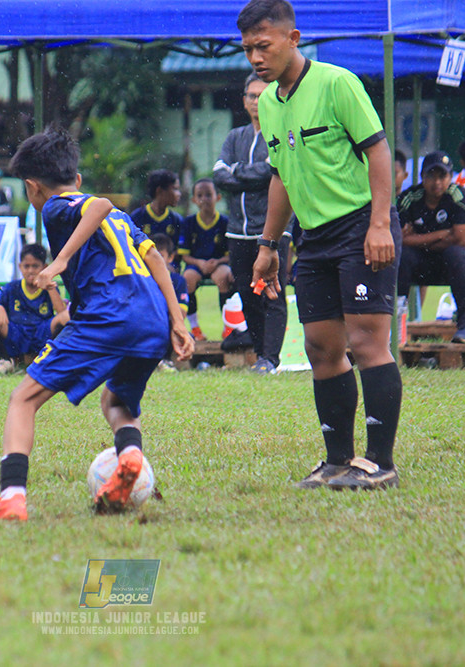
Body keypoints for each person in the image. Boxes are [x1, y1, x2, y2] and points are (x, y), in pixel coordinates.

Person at [0, 128, 194, 521]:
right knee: (117, 400)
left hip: (109, 317)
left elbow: (99, 205)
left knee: (23, 399)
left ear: (33, 188)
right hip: (151, 319)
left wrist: (61, 260)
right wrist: (178, 321)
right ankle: (131, 457)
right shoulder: (123, 219)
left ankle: (12, 496)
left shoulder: (55, 207)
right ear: (77, 178)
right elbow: (155, 258)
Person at [240, 0, 402, 490]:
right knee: (320, 347)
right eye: (247, 49)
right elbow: (281, 177)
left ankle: (380, 462)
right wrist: (269, 244)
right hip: (313, 238)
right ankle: (337, 460)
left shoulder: (337, 83)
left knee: (367, 343)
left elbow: (378, 151)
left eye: (263, 46)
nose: (254, 58)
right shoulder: (268, 103)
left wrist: (379, 225)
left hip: (360, 227)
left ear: (293, 38)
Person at [213, 72, 290, 374]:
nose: (256, 102)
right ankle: (260, 356)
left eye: (262, 95)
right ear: (244, 101)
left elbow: (275, 170)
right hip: (237, 231)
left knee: (272, 293)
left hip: (272, 231)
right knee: (248, 293)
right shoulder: (235, 137)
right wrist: (253, 174)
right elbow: (219, 174)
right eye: (251, 96)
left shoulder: (280, 133)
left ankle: (271, 359)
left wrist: (239, 173)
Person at [397, 151, 465, 343]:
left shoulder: (459, 196)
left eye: (442, 176)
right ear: (422, 177)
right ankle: (397, 326)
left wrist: (417, 238)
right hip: (424, 265)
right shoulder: (410, 198)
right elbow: (399, 240)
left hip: (459, 264)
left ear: (450, 177)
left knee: (455, 254)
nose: (437, 182)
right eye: (431, 176)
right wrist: (443, 234)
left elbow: (461, 240)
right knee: (403, 256)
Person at [0, 243, 70, 374]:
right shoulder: (13, 287)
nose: (30, 271)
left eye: (35, 266)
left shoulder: (49, 288)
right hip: (16, 333)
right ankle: (6, 360)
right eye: (27, 266)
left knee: (67, 317)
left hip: (41, 333)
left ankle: (47, 359)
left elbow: (61, 312)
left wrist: (49, 286)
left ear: (44, 267)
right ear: (20, 267)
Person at [180, 178, 233, 340]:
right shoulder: (188, 223)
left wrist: (217, 262)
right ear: (194, 200)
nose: (204, 199)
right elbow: (184, 255)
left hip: (219, 264)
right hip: (197, 265)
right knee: (187, 279)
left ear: (218, 197)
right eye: (200, 195)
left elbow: (231, 254)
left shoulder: (225, 222)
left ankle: (228, 328)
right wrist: (199, 263)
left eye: (209, 195)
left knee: (223, 277)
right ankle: (195, 327)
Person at [152, 233, 191, 370]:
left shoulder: (178, 281)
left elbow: (181, 313)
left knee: (170, 321)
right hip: (146, 323)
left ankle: (166, 360)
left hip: (166, 322)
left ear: (170, 258)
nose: (155, 261)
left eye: (160, 256)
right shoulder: (141, 279)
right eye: (152, 256)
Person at [129, 169, 184, 244]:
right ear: (159, 190)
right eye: (175, 189)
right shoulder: (137, 217)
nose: (179, 194)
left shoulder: (177, 220)